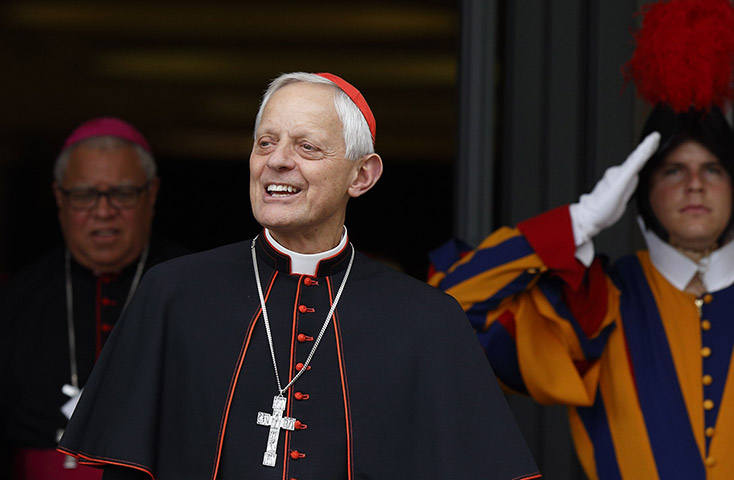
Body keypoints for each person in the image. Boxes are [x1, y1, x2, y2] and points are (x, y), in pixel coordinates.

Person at [57, 72, 541, 480]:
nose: (278, 159)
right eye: (266, 142)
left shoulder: (427, 320)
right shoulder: (173, 295)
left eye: (307, 146)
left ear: (362, 176)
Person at [429, 2, 734, 478]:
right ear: (639, 188)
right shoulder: (601, 300)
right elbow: (449, 313)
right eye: (674, 170)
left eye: (712, 169)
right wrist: (578, 221)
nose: (695, 184)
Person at [0, 117, 190, 480]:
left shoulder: (193, 290)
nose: (104, 212)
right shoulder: (15, 303)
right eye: (84, 195)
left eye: (123, 194)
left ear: (151, 194)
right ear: (59, 197)